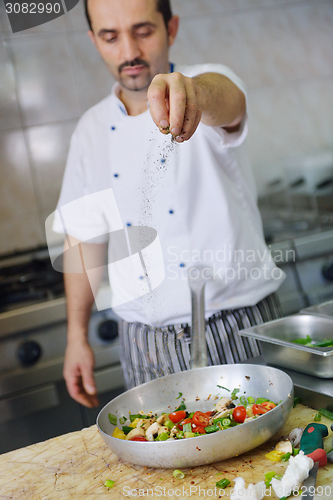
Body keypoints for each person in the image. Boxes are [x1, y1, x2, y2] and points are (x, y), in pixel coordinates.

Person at [53, 0, 284, 408]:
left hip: (235, 326)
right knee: (160, 464)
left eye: (143, 31)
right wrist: (75, 338)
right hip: (145, 345)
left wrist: (193, 92)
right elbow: (82, 239)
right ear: (94, 40)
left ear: (171, 28)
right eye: (110, 36)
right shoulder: (90, 130)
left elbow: (227, 101)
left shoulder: (208, 84)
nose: (129, 52)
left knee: (267, 461)